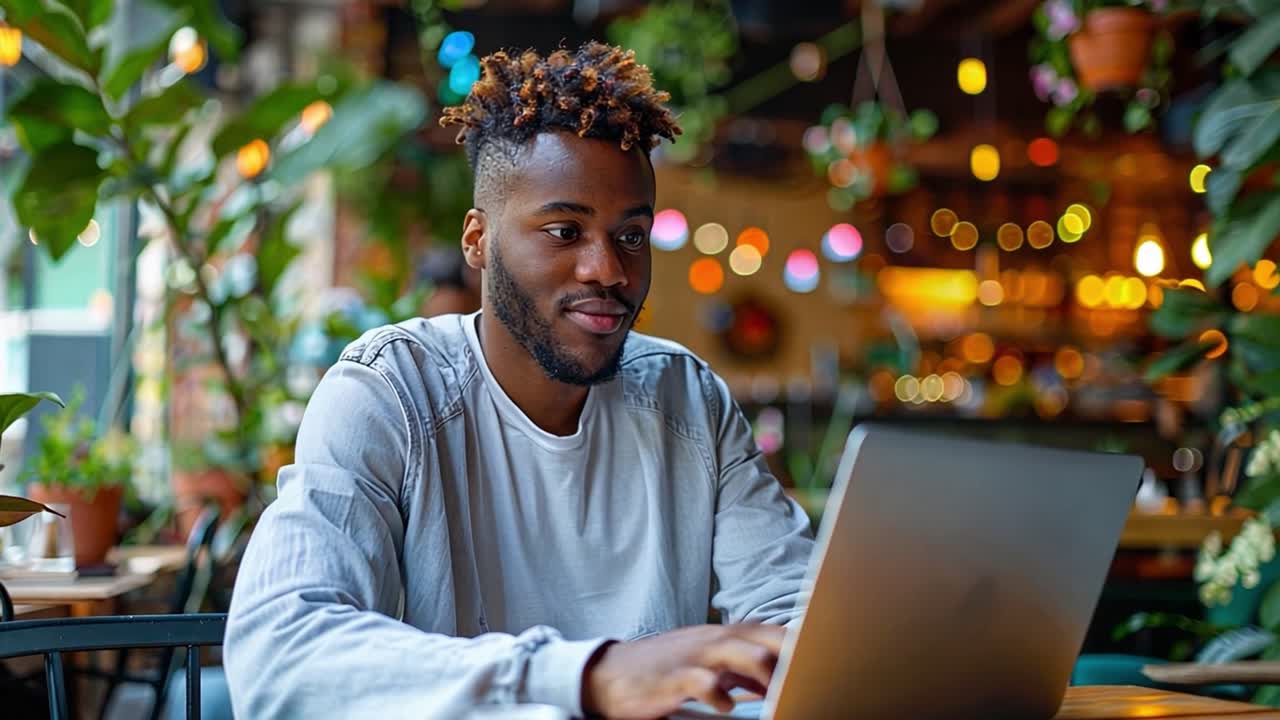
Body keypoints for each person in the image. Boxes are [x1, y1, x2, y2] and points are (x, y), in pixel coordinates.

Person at [224, 41, 813, 719]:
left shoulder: (688, 399)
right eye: (565, 231)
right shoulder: (390, 392)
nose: (609, 271)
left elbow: (794, 617)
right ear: (478, 240)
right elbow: (283, 650)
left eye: (630, 236)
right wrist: (587, 676)